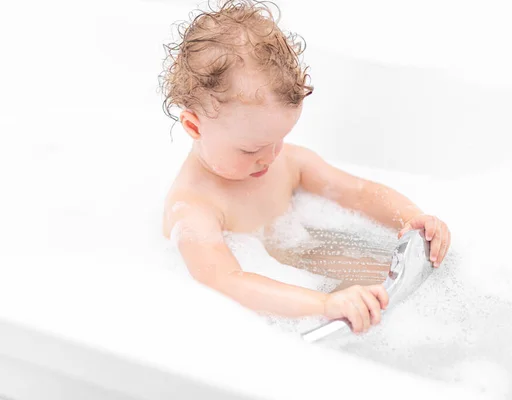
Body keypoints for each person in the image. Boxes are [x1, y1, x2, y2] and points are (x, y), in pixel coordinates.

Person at [158, 0, 450, 333]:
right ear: (194, 127)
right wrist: (324, 305)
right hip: (268, 316)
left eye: (279, 139)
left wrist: (413, 218)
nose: (269, 157)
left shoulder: (288, 162)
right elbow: (227, 282)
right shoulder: (194, 208)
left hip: (307, 263)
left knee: (417, 285)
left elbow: (358, 193)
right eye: (251, 148)